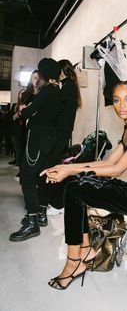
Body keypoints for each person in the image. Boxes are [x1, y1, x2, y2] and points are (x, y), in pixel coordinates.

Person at [40, 80, 127, 290]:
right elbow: (108, 162)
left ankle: (74, 261)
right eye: (117, 101)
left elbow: (117, 169)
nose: (122, 106)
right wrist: (65, 166)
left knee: (74, 186)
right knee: (76, 185)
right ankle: (83, 250)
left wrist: (69, 170)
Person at [9, 58, 61, 242]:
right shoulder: (56, 91)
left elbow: (27, 113)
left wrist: (24, 109)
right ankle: (40, 215)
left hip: (38, 137)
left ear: (43, 75)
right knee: (42, 176)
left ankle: (32, 224)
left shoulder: (47, 92)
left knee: (27, 178)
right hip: (48, 137)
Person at [39, 59, 82, 218]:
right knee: (54, 164)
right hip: (61, 131)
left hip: (61, 131)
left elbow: (59, 107)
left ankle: (57, 204)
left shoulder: (68, 86)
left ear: (62, 70)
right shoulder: (68, 85)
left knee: (55, 166)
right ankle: (55, 202)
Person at [10, 70, 39, 173]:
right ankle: (23, 171)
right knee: (22, 152)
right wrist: (21, 112)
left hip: (37, 129)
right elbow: (21, 111)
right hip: (24, 129)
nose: (37, 80)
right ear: (31, 80)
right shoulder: (27, 95)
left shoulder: (44, 94)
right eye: (35, 77)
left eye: (39, 77)